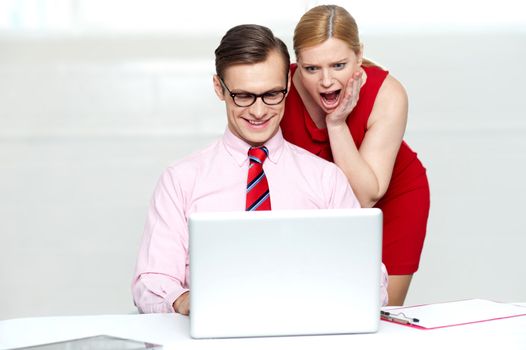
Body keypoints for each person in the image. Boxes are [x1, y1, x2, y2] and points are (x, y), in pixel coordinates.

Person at [132, 24, 388, 315]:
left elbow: (373, 282)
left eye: (272, 95)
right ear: (219, 88)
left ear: (288, 87)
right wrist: (184, 301)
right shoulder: (180, 180)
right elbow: (151, 282)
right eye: (243, 96)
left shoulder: (325, 179)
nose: (258, 111)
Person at [280, 5, 430, 306]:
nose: (326, 81)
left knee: (377, 314)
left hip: (389, 200)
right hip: (311, 208)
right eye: (312, 68)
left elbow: (363, 199)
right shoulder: (279, 89)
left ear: (358, 55)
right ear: (297, 63)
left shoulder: (388, 94)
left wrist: (336, 124)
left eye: (338, 65)